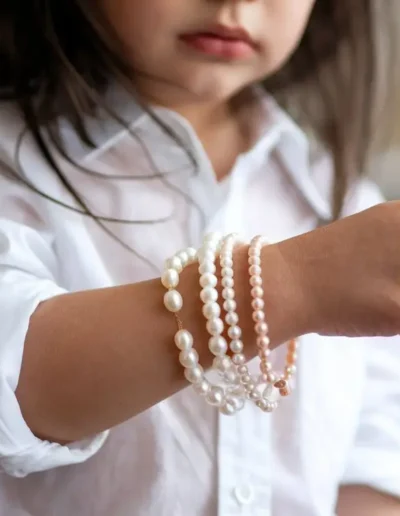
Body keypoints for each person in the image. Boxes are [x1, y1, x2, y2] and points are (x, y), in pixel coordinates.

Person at [0, 0, 400, 514]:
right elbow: (17, 384)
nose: (236, 3)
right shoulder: (13, 167)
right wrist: (293, 286)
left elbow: (378, 455)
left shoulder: (347, 205)